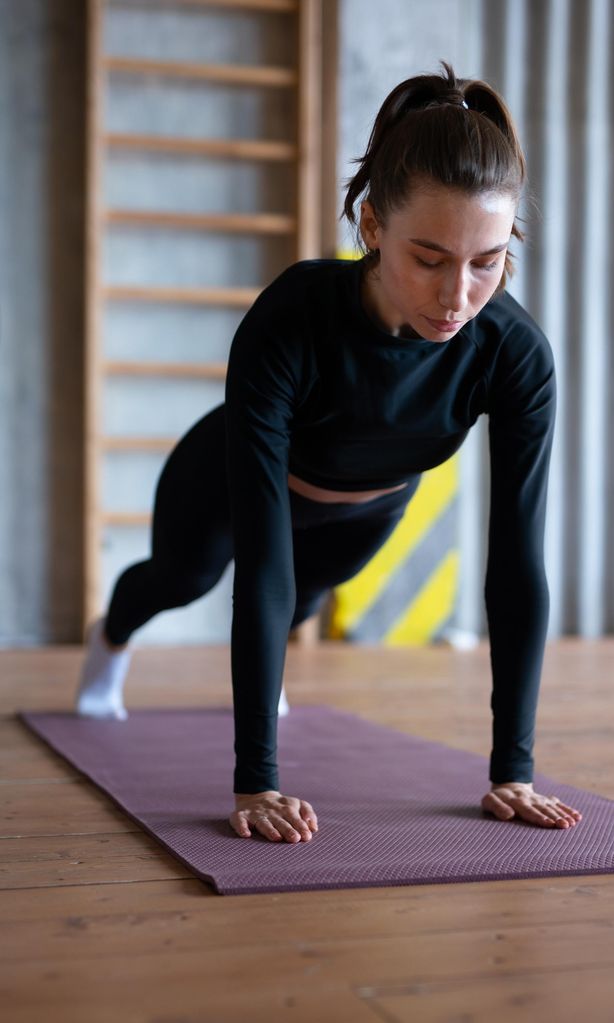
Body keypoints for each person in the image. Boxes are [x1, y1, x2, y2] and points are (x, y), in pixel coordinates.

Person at [76, 61, 583, 843]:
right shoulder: (291, 317)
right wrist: (257, 781)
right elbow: (261, 555)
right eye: (429, 258)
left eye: (487, 263)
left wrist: (512, 769)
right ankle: (111, 636)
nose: (458, 297)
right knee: (185, 576)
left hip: (368, 506)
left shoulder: (515, 354)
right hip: (234, 481)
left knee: (307, 600)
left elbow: (517, 562)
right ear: (373, 228)